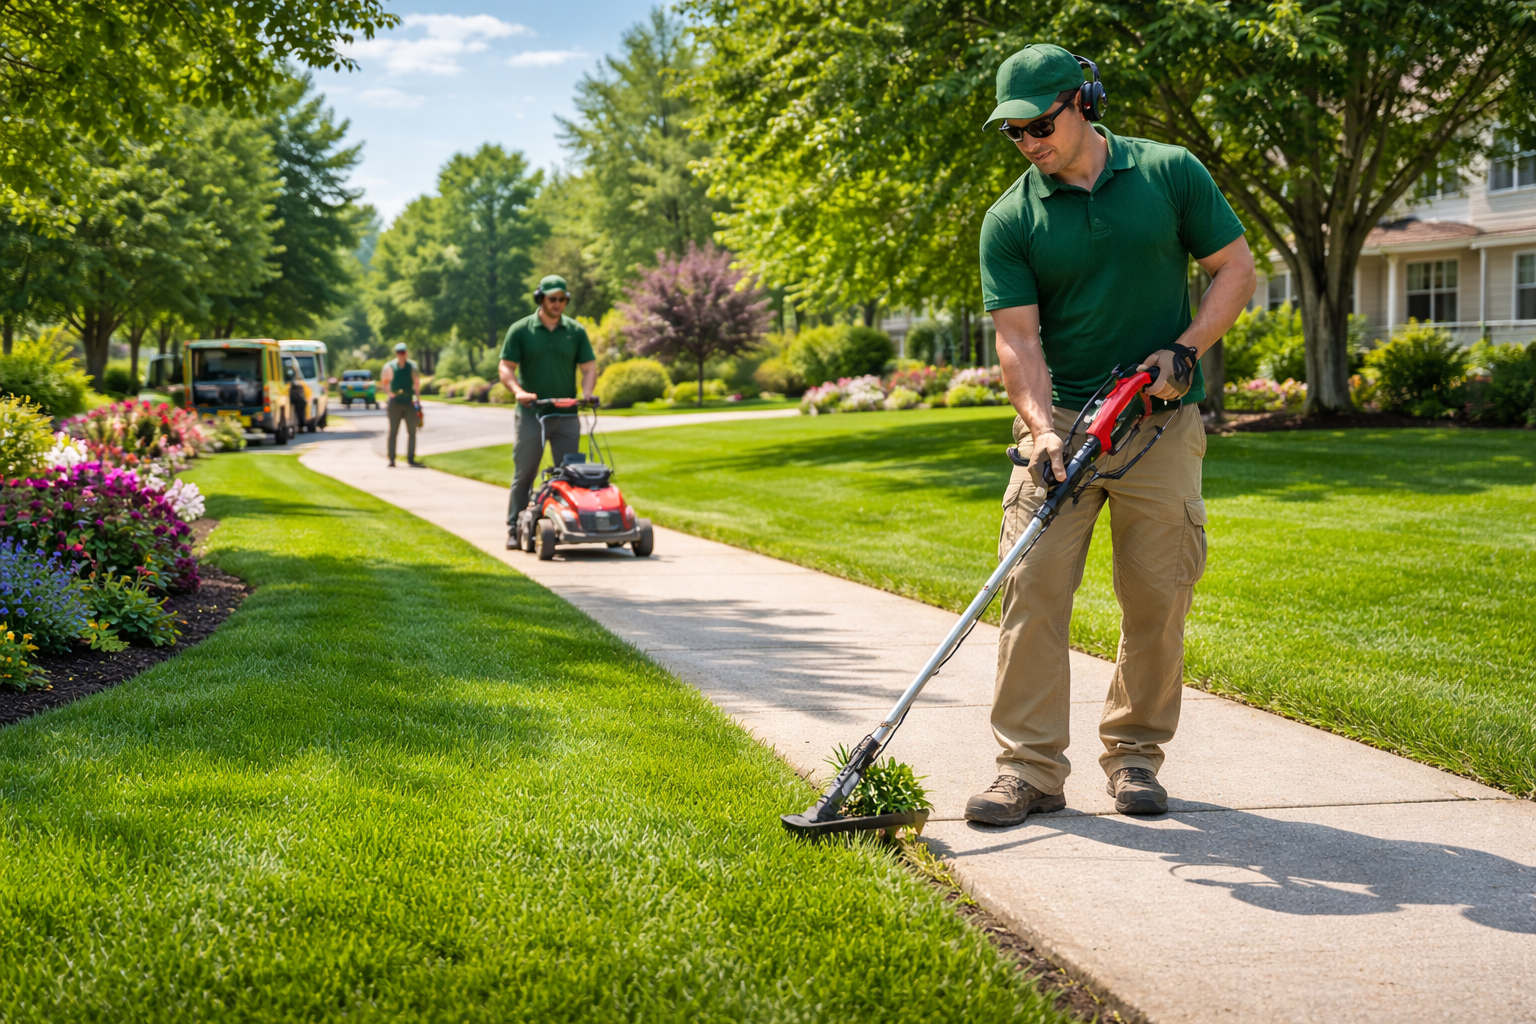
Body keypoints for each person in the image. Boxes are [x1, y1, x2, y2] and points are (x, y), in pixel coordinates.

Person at [965, 44, 1256, 826]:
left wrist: (1186, 350)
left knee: (1157, 597)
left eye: (1038, 123)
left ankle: (1133, 758)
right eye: (1012, 132)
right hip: (1063, 426)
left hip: (1159, 424)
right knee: (1030, 591)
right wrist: (1039, 431)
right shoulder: (1011, 218)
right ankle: (1028, 770)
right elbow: (1018, 342)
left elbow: (1235, 268)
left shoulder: (1169, 172)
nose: (1028, 141)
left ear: (1083, 101)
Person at [500, 275, 598, 548]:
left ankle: (570, 524)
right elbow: (506, 367)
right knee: (526, 471)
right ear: (540, 298)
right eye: (553, 299)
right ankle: (514, 527)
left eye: (563, 299)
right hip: (533, 413)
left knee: (571, 472)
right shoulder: (521, 330)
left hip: (566, 414)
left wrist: (587, 393)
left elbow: (589, 368)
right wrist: (518, 391)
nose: (558, 304)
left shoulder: (575, 331)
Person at [381, 342, 422, 468]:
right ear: (396, 353)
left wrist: (417, 401)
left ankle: (410, 457)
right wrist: (389, 393)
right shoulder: (389, 366)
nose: (401, 355)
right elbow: (385, 382)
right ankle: (392, 459)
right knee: (393, 432)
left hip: (409, 402)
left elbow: (416, 384)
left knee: (412, 431)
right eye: (399, 352)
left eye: (403, 352)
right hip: (395, 403)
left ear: (406, 352)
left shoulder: (412, 367)